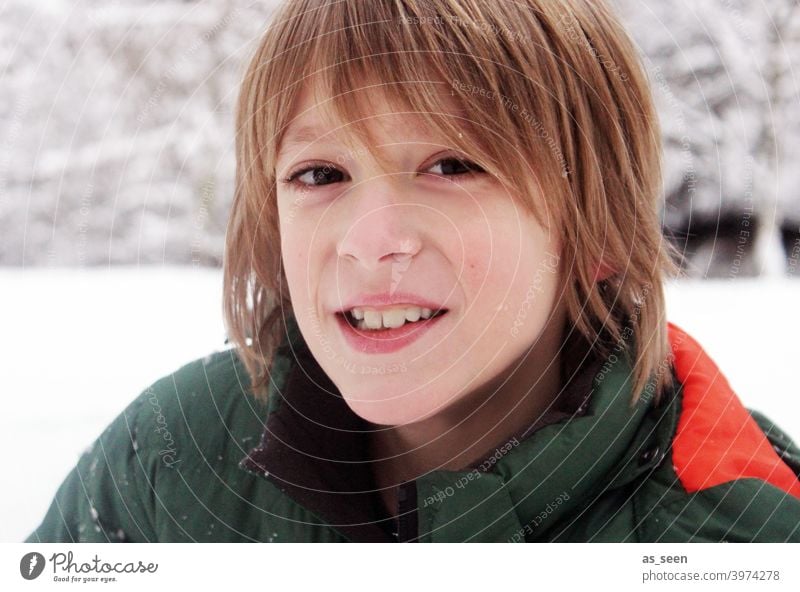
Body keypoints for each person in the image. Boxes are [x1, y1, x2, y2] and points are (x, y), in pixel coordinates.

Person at [26, 0, 800, 543]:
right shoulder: (171, 460)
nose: (370, 243)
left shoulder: (744, 532)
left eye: (452, 165)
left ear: (596, 231)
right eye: (320, 175)